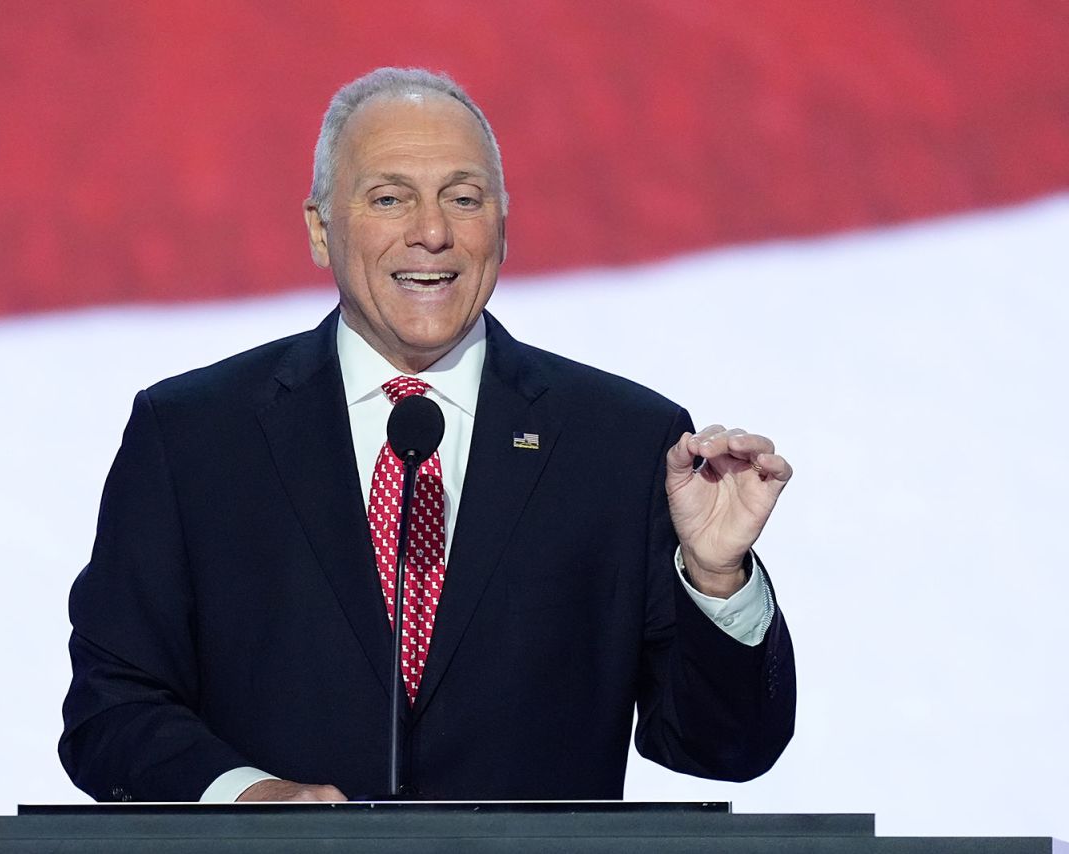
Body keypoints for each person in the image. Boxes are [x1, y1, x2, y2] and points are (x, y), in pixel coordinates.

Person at [59, 67, 796, 804]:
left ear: (503, 228)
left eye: (463, 199)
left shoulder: (622, 442)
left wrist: (715, 579)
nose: (433, 233)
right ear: (321, 230)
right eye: (389, 198)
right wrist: (249, 802)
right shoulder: (194, 437)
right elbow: (112, 710)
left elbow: (723, 749)